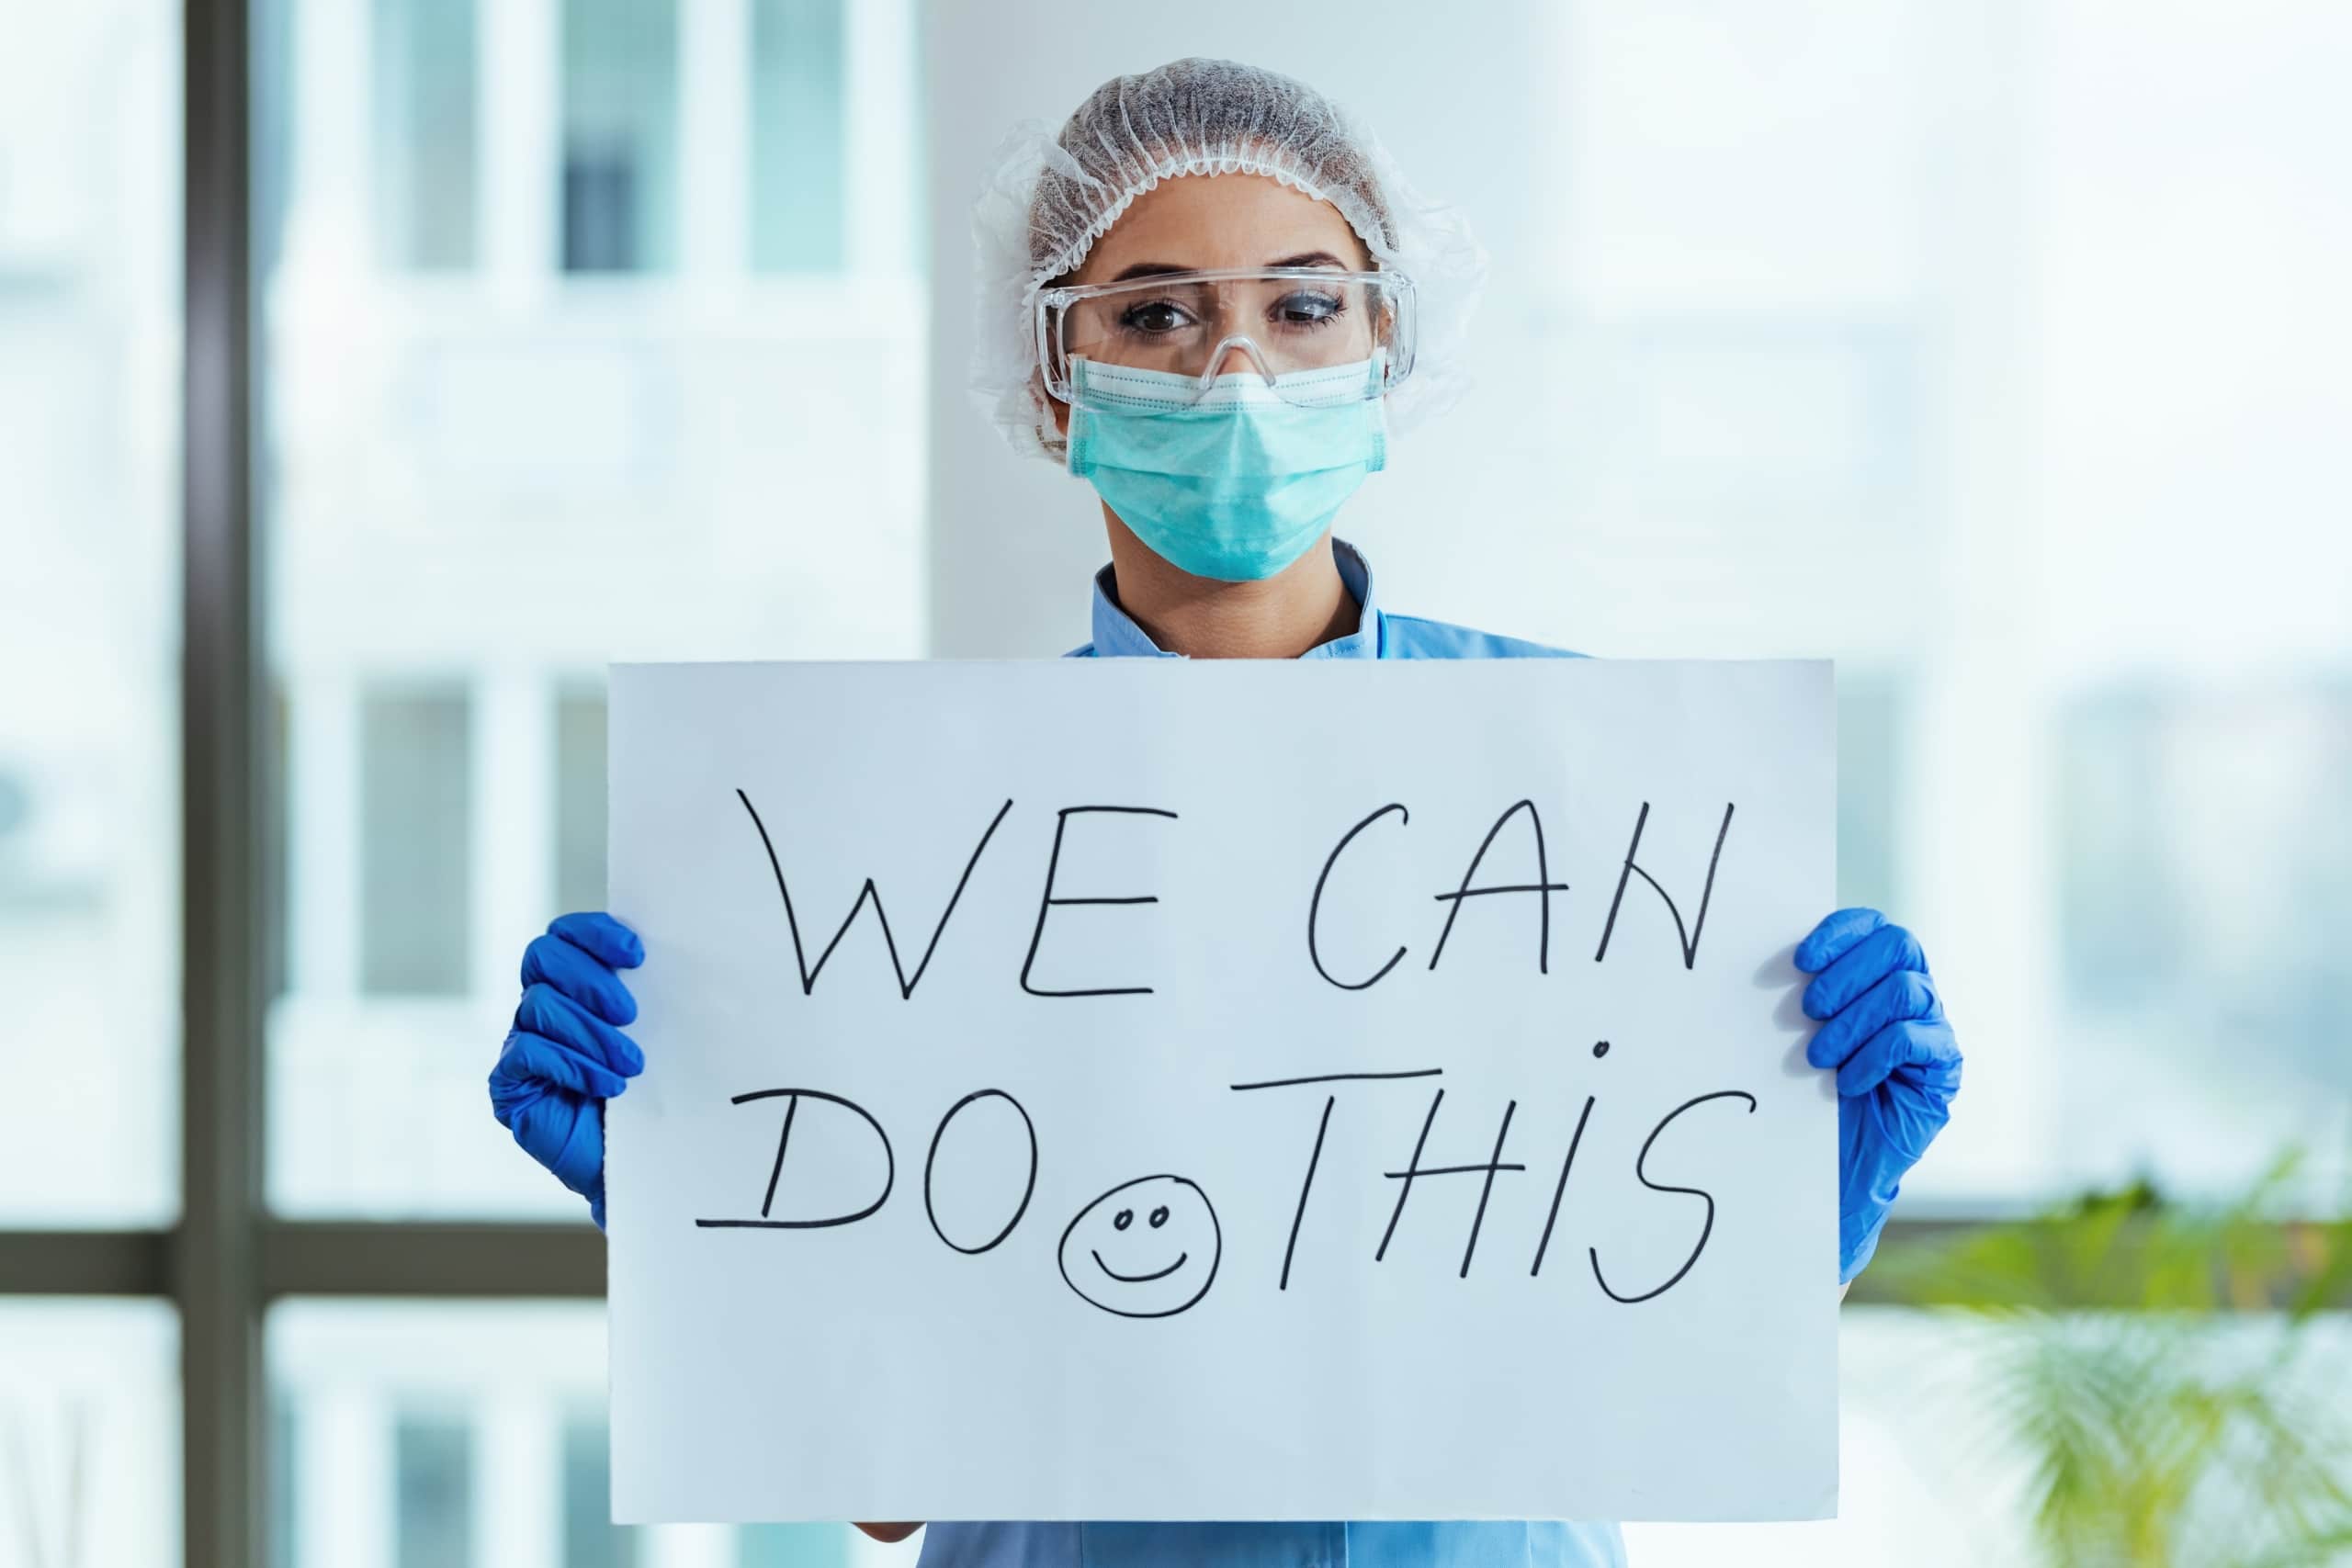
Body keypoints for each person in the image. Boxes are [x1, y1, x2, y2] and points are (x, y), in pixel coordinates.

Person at [490, 57, 1963, 1568]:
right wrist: (697, 1203)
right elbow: (892, 1489)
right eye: (1156, 314)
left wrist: (1799, 1209)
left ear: (1386, 340)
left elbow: (1641, 1363)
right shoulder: (910, 836)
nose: (1237, 372)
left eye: (1303, 305)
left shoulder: (1596, 791)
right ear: (1055, 368)